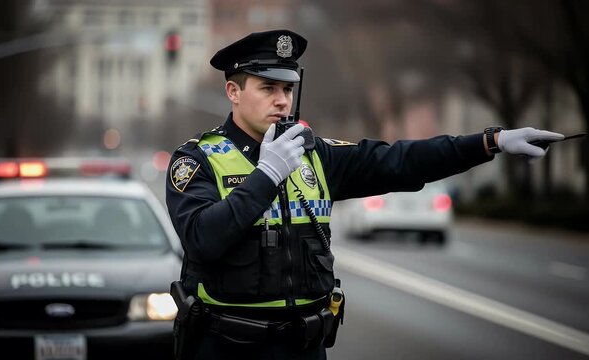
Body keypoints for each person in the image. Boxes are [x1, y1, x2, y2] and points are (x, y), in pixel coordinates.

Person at [165, 29, 563, 360]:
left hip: (306, 348)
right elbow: (202, 240)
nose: (282, 100)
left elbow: (401, 161)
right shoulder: (198, 160)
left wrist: (490, 141)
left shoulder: (315, 154)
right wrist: (267, 174)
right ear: (233, 91)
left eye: (288, 87)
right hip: (229, 349)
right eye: (268, 87)